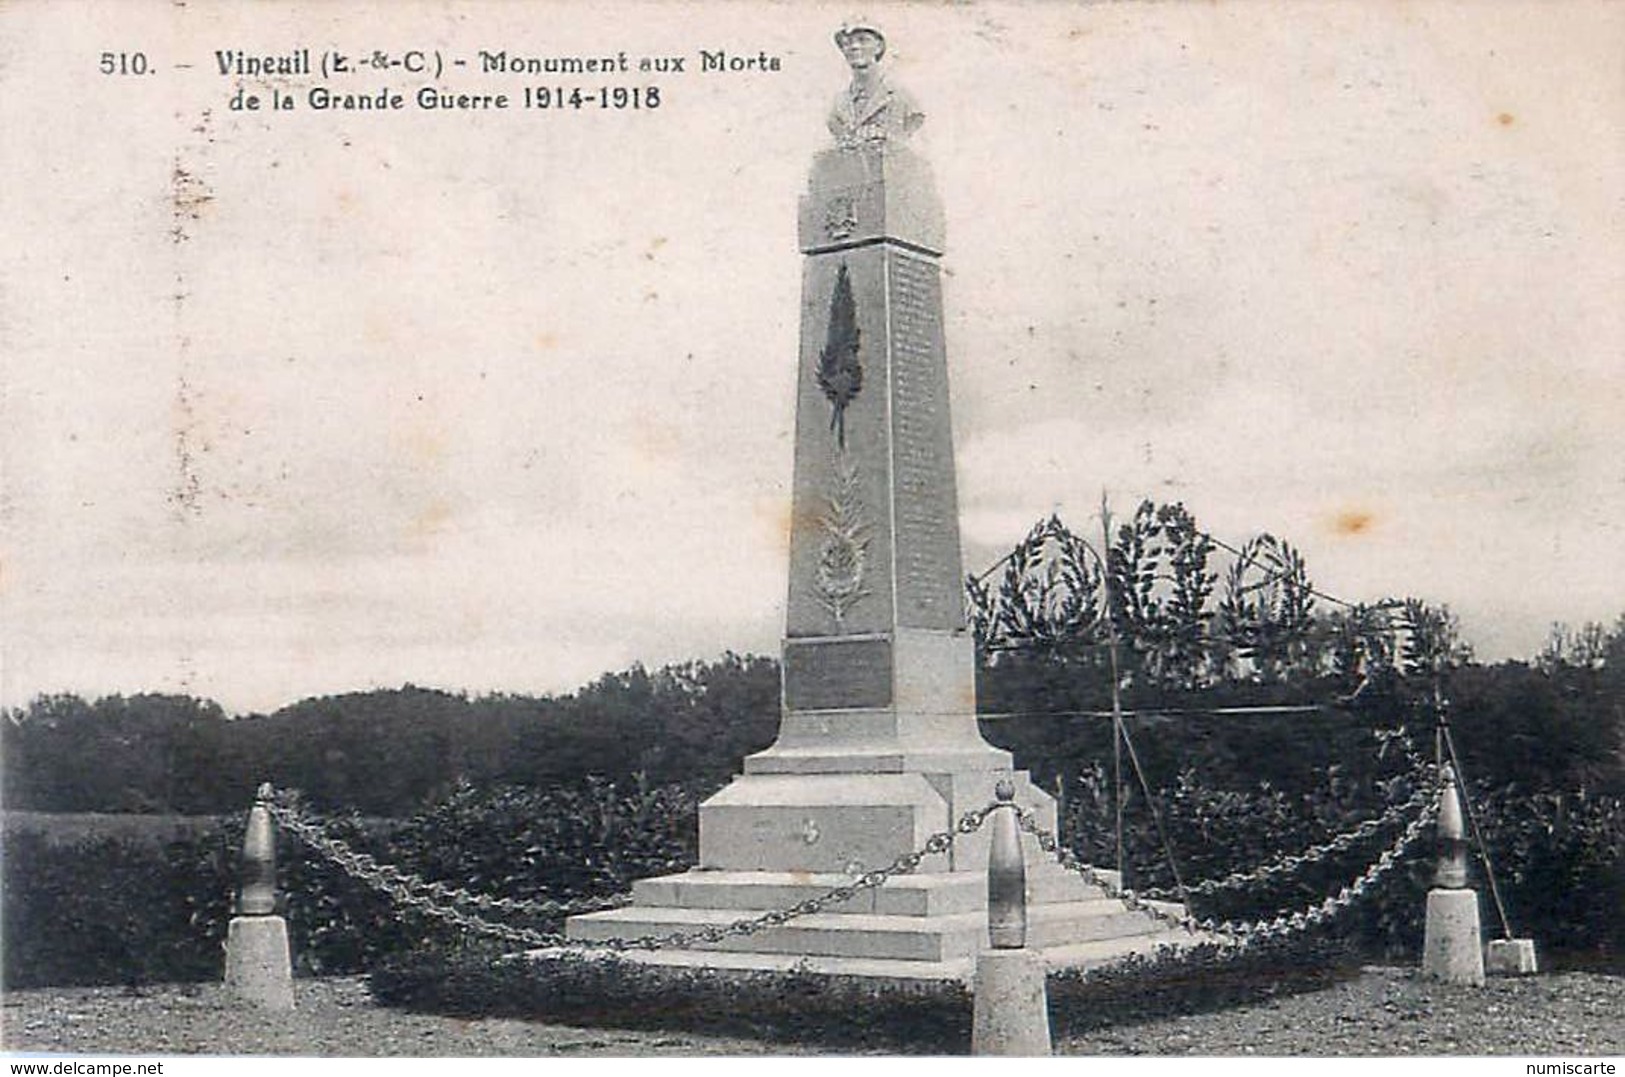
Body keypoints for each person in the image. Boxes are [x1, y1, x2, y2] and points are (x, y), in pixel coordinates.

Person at [827, 22, 924, 149]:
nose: (854, 47)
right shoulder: (838, 105)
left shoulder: (902, 97)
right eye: (847, 43)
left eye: (863, 40)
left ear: (878, 46)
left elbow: (914, 149)